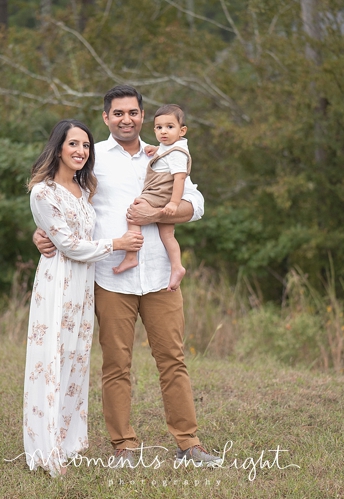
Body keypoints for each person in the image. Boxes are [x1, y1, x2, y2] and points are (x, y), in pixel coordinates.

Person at [33, 85, 221, 467]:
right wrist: (42, 232)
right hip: (109, 277)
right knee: (116, 364)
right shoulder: (92, 157)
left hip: (159, 275)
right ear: (106, 118)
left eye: (133, 112)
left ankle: (189, 443)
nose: (126, 119)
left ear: (142, 116)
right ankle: (124, 445)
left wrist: (157, 215)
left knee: (172, 358)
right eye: (117, 113)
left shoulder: (165, 153)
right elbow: (64, 199)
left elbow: (195, 204)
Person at [23, 119, 143, 477]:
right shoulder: (42, 192)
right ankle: (45, 448)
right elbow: (69, 245)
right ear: (58, 146)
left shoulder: (83, 188)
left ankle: (68, 440)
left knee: (75, 361)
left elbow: (78, 229)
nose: (80, 151)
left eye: (86, 146)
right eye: (73, 144)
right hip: (58, 281)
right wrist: (117, 245)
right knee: (52, 359)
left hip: (83, 285)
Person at [113, 104, 190, 292]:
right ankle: (177, 266)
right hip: (163, 195)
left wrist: (174, 203)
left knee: (135, 211)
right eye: (159, 127)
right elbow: (166, 157)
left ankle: (131, 256)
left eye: (170, 127)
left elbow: (179, 178)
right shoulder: (168, 149)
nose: (163, 131)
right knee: (168, 234)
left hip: (158, 193)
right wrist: (156, 150)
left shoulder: (177, 154)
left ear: (182, 130)